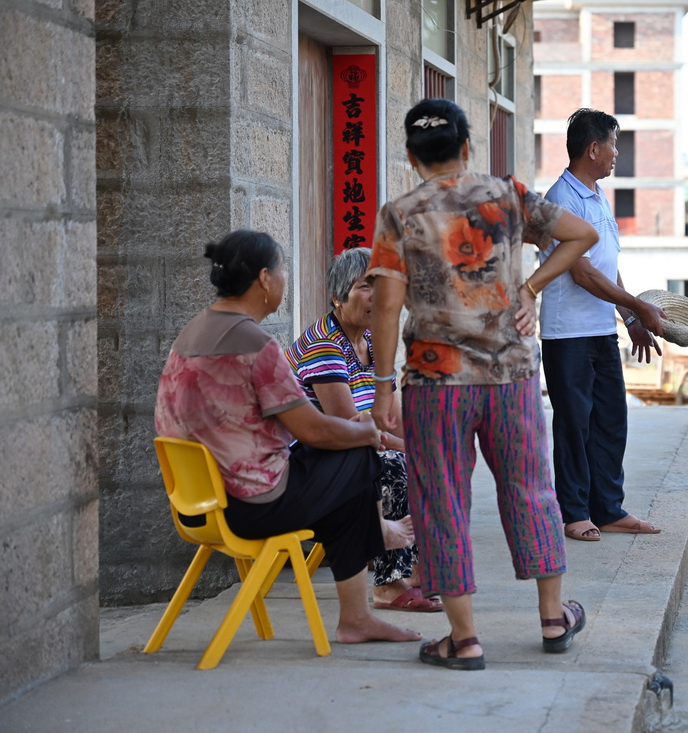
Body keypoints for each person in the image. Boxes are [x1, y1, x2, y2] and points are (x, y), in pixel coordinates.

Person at [367, 98, 598, 671]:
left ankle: (464, 638)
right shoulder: (508, 195)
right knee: (530, 488)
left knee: (440, 498)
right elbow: (580, 235)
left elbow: (388, 302)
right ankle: (551, 617)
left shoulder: (400, 212)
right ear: (467, 146)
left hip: (434, 380)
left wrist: (382, 384)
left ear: (410, 154)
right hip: (510, 376)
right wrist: (530, 288)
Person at [155, 229, 422, 646]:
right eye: (281, 271)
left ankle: (360, 608)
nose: (284, 281)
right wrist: (368, 433)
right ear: (264, 279)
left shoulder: (189, 336)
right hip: (250, 505)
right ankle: (363, 592)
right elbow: (314, 430)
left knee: (350, 481)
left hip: (198, 504)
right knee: (357, 459)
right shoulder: (256, 345)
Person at [286, 248, 442, 613]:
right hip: (309, 461)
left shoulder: (371, 341)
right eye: (364, 288)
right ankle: (389, 584)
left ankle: (418, 571)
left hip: (350, 448)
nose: (378, 297)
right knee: (393, 466)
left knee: (430, 461)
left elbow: (390, 416)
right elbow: (348, 430)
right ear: (338, 297)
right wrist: (406, 450)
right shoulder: (323, 345)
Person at [538, 108, 668, 543]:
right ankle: (575, 511)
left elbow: (608, 267)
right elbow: (583, 273)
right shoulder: (562, 198)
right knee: (574, 423)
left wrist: (630, 316)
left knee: (611, 419)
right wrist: (637, 305)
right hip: (566, 333)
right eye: (613, 143)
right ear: (593, 149)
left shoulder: (597, 196)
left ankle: (607, 508)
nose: (616, 153)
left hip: (599, 330)